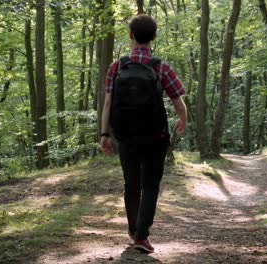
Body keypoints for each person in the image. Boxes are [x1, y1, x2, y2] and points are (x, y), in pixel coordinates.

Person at [100, 14, 187, 253]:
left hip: (125, 136)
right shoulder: (161, 67)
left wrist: (104, 135)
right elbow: (178, 102)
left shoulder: (116, 67)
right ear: (154, 37)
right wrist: (183, 120)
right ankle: (141, 236)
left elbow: (108, 103)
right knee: (150, 185)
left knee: (131, 183)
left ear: (131, 36)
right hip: (155, 137)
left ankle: (132, 229)